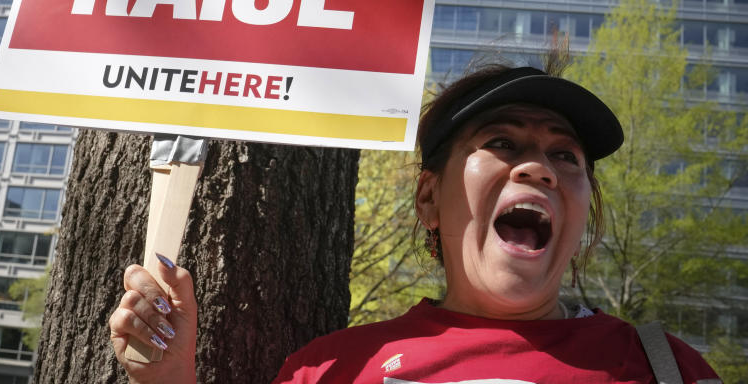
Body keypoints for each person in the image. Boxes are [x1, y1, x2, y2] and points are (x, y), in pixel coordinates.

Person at [108, 62, 722, 383]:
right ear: (429, 198)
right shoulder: (327, 372)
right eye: (503, 143)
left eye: (566, 156)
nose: (540, 169)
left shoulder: (668, 369)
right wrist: (167, 379)